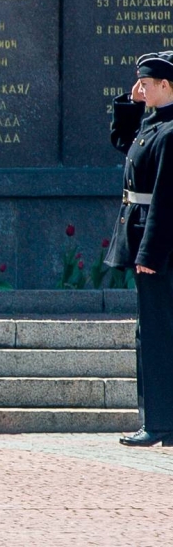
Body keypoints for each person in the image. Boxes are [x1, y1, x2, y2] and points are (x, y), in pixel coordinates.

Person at [106, 51, 173, 447]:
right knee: (151, 332)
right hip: (146, 239)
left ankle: (160, 423)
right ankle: (161, 420)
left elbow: (167, 200)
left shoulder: (170, 133)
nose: (139, 88)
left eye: (146, 83)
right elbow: (125, 142)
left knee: (156, 334)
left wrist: (149, 254)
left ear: (167, 85)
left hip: (158, 247)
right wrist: (132, 104)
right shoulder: (155, 124)